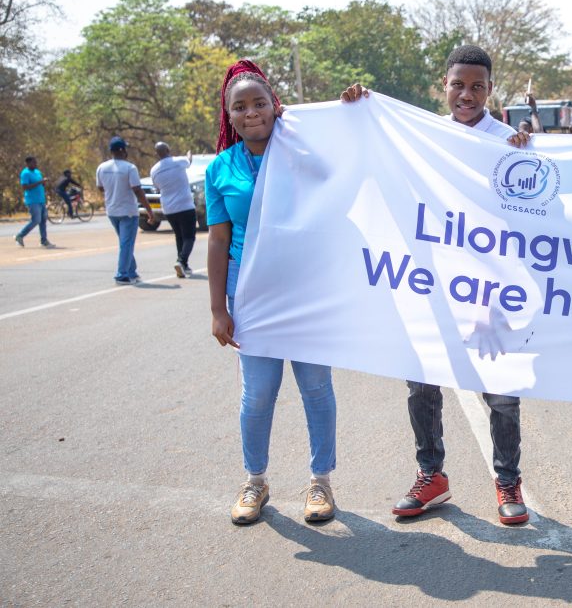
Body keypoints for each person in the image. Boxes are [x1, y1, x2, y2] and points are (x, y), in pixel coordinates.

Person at [342, 45, 532, 526]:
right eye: (457, 85)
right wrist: (358, 110)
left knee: (502, 391)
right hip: (429, 283)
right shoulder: (420, 134)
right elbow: (368, 156)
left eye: (477, 86)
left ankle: (507, 480)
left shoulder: (508, 142)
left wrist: (493, 296)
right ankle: (432, 475)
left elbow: (520, 226)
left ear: (491, 90)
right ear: (443, 87)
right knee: (421, 383)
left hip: (490, 288)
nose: (466, 94)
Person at [206, 60, 337, 526]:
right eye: (239, 107)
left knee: (316, 388)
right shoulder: (221, 168)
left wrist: (354, 110)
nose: (251, 113)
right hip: (252, 288)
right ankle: (255, 480)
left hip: (304, 286)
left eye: (259, 103)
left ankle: (320, 482)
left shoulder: (300, 152)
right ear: (230, 116)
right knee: (258, 394)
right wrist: (219, 309)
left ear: (276, 107)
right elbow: (219, 240)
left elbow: (350, 168)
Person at [96, 137, 153, 284]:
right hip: (128, 211)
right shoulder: (129, 168)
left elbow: (101, 187)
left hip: (112, 210)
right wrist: (149, 210)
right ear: (122, 150)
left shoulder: (102, 167)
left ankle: (131, 272)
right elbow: (138, 190)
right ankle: (122, 275)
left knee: (125, 243)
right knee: (126, 244)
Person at [150, 141, 196, 277]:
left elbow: (157, 186)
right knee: (189, 237)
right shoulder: (179, 161)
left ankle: (184, 265)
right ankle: (181, 260)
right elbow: (189, 161)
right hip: (185, 205)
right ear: (168, 149)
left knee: (179, 235)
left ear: (156, 154)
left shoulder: (154, 170)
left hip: (169, 208)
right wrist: (189, 154)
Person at [14, 156, 55, 249]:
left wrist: (43, 182)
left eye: (36, 162)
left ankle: (44, 240)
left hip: (41, 199)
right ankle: (20, 235)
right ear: (28, 163)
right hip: (32, 201)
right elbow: (25, 187)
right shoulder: (25, 173)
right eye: (33, 163)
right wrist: (40, 182)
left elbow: (41, 184)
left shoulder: (37, 172)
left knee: (43, 220)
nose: (35, 164)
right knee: (36, 220)